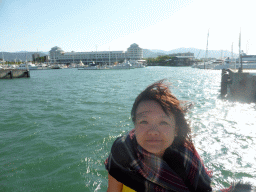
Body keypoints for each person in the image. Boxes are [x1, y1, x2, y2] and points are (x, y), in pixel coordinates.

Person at [105, 80, 253, 192]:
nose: (153, 131)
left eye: (163, 122)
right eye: (144, 121)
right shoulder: (122, 151)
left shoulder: (188, 160)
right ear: (135, 125)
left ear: (176, 129)